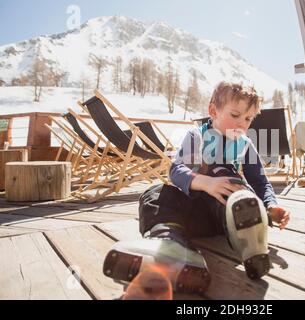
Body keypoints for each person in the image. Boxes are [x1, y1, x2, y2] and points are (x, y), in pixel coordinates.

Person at [103, 82, 291, 295]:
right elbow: (176, 171)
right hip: (198, 215)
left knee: (226, 175)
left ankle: (249, 239)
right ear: (213, 111)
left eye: (248, 119)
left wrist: (271, 205)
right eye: (235, 115)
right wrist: (206, 183)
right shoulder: (197, 137)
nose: (242, 124)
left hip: (229, 213)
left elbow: (260, 182)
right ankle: (169, 244)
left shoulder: (245, 145)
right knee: (155, 193)